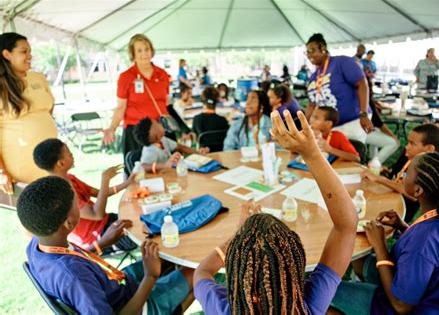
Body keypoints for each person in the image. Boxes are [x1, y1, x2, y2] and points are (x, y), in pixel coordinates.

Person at [193, 110, 358, 314]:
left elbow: (202, 273)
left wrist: (238, 235)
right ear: (295, 270)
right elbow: (346, 226)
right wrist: (312, 153)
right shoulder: (307, 307)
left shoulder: (222, 308)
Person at [18, 176, 193, 314]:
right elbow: (77, 273)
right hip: (138, 307)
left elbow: (74, 258)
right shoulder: (74, 278)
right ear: (69, 223)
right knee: (194, 270)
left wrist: (102, 243)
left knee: (168, 254)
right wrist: (150, 277)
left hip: (118, 284)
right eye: (77, 203)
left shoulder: (38, 245)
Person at [331, 152, 439, 314]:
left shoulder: (423, 244)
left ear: (417, 190)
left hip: (404, 307)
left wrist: (380, 245)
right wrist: (403, 227)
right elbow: (431, 254)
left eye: (407, 172)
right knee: (359, 259)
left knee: (320, 291)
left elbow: (401, 306)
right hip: (424, 288)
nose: (402, 175)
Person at [33, 138, 136, 252]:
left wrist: (127, 183)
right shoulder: (61, 193)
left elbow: (99, 193)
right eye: (70, 154)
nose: (73, 156)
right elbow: (97, 214)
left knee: (141, 215)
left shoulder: (70, 178)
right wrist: (105, 179)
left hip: (108, 222)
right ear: (61, 163)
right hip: (100, 238)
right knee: (147, 232)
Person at [103, 34, 170, 169]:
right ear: (133, 54)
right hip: (137, 133)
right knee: (138, 174)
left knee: (166, 171)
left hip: (158, 130)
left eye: (147, 49)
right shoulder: (126, 77)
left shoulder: (162, 74)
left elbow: (166, 104)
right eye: (139, 50)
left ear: (152, 51)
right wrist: (112, 128)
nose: (144, 53)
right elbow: (121, 107)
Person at [0, 32, 57, 192]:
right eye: (24, 51)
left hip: (51, 158)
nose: (30, 56)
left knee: (65, 210)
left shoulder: (37, 77)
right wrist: (1, 171)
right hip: (22, 164)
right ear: (7, 54)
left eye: (30, 51)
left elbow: (50, 106)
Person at [361, 124, 439, 223]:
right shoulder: (408, 155)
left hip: (400, 212)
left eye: (412, 144)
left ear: (429, 148)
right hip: (390, 195)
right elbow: (397, 171)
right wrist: (386, 169)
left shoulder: (427, 169)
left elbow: (412, 195)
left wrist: (378, 178)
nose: (406, 147)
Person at [305, 33, 373, 143]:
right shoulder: (314, 76)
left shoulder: (342, 62)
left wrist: (363, 114)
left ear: (322, 48)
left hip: (354, 120)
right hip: (331, 126)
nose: (308, 55)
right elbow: (312, 104)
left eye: (311, 51)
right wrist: (305, 126)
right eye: (306, 52)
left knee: (348, 155)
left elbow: (362, 83)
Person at [134, 117, 209, 173]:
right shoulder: (150, 150)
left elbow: (180, 147)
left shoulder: (163, 140)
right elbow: (143, 166)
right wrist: (165, 165)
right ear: (156, 135)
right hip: (159, 179)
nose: (160, 123)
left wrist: (197, 153)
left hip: (170, 174)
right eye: (157, 124)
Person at [365, 79, 400, 163]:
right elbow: (378, 123)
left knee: (376, 130)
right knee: (393, 143)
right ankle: (373, 164)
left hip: (351, 129)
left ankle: (372, 157)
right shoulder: (366, 100)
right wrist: (393, 136)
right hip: (359, 132)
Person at [192, 86, 229, 152]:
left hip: (203, 153)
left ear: (203, 100)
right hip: (221, 152)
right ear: (217, 101)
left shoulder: (197, 119)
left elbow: (195, 138)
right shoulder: (223, 120)